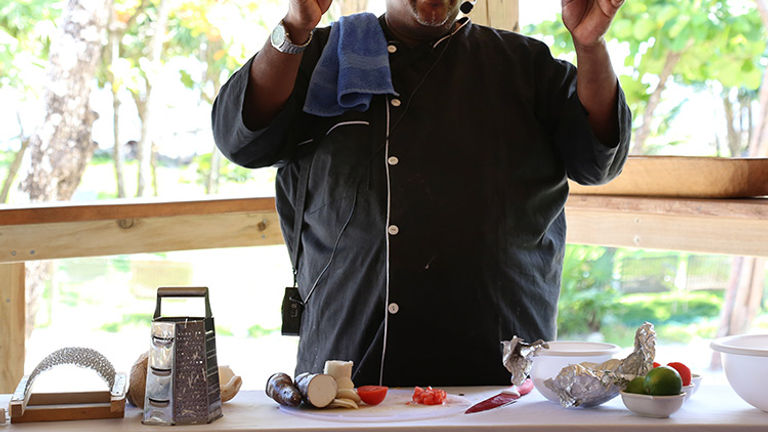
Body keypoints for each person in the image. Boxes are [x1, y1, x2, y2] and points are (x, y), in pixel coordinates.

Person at [212, 0, 631, 387]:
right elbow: (240, 139)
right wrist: (294, 28)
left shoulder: (526, 66)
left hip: (500, 380)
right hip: (345, 381)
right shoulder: (322, 58)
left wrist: (590, 46)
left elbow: (598, 159)